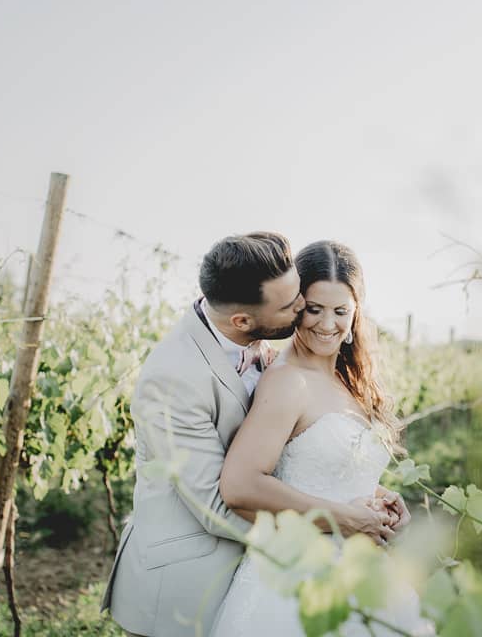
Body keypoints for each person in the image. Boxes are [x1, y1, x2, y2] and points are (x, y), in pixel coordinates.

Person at [102, 233, 404, 637]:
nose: (303, 311)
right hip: (187, 579)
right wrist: (339, 523)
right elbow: (218, 501)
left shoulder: (262, 347)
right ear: (244, 320)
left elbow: (295, 453)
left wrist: (368, 496)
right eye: (298, 305)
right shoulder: (173, 377)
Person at [211, 240, 433, 637]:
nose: (327, 324)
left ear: (356, 314)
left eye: (340, 311)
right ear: (296, 306)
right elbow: (240, 485)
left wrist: (379, 500)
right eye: (314, 309)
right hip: (299, 580)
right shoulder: (287, 382)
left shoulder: (346, 383)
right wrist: (343, 517)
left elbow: (320, 468)